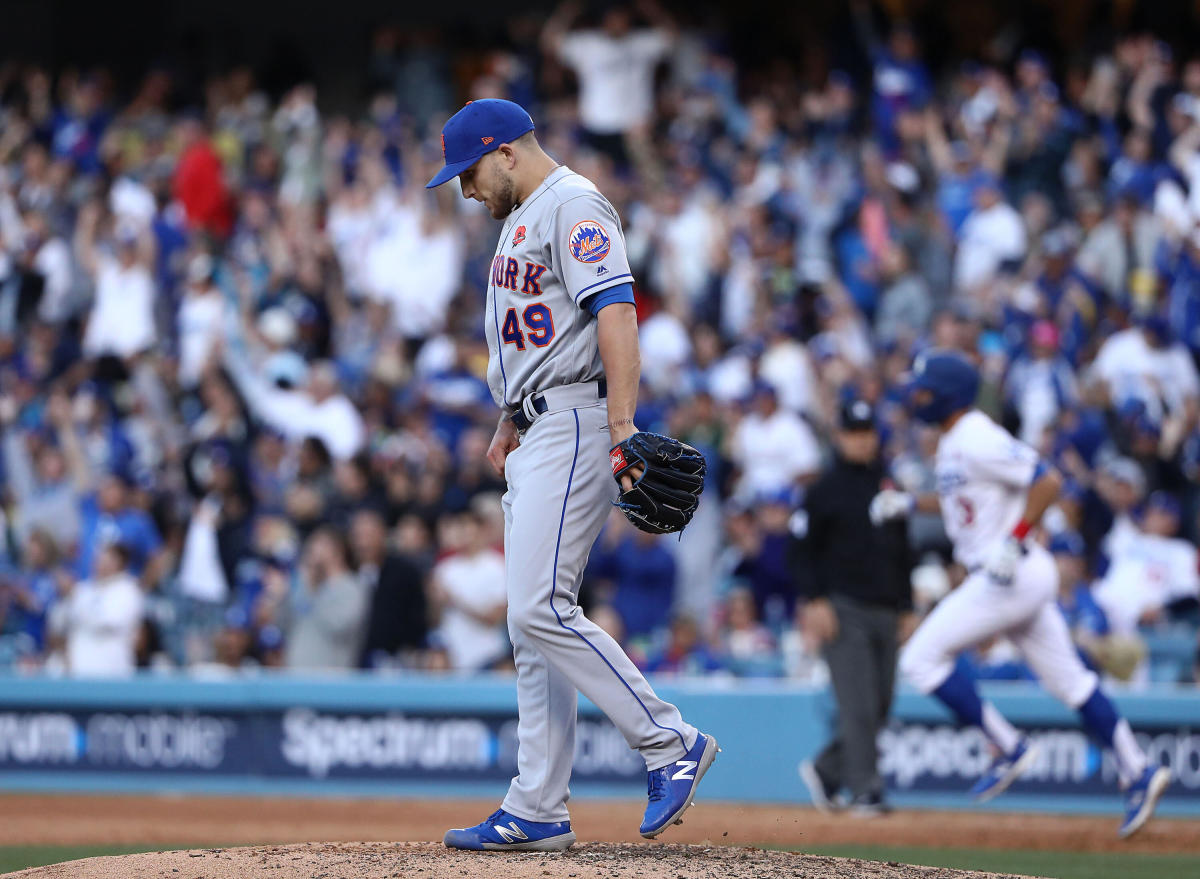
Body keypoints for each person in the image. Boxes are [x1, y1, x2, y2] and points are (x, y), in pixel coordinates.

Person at [426, 99, 715, 851]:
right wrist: (510, 416)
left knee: (538, 609)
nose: (465, 189)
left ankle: (669, 741)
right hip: (539, 424)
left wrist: (623, 429)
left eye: (469, 171)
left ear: (508, 152)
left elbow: (616, 315)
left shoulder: (573, 203)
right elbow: (543, 336)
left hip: (581, 423)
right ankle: (538, 805)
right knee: (533, 628)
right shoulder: (522, 218)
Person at [895, 349, 1169, 838]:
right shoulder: (955, 438)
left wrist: (1017, 537)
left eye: (923, 388)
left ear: (947, 393)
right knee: (1074, 684)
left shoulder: (976, 433)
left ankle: (1008, 745)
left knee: (920, 659)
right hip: (1011, 576)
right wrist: (911, 502)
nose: (915, 396)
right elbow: (965, 502)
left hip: (1008, 573)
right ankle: (1138, 769)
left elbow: (1048, 479)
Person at [790, 399, 916, 817]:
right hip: (843, 608)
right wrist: (814, 600)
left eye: (867, 432)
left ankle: (828, 770)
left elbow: (903, 550)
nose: (862, 441)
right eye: (854, 433)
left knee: (880, 704)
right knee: (858, 704)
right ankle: (865, 790)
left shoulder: (887, 484)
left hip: (886, 607)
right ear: (839, 436)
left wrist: (908, 605)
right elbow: (801, 549)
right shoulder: (823, 489)